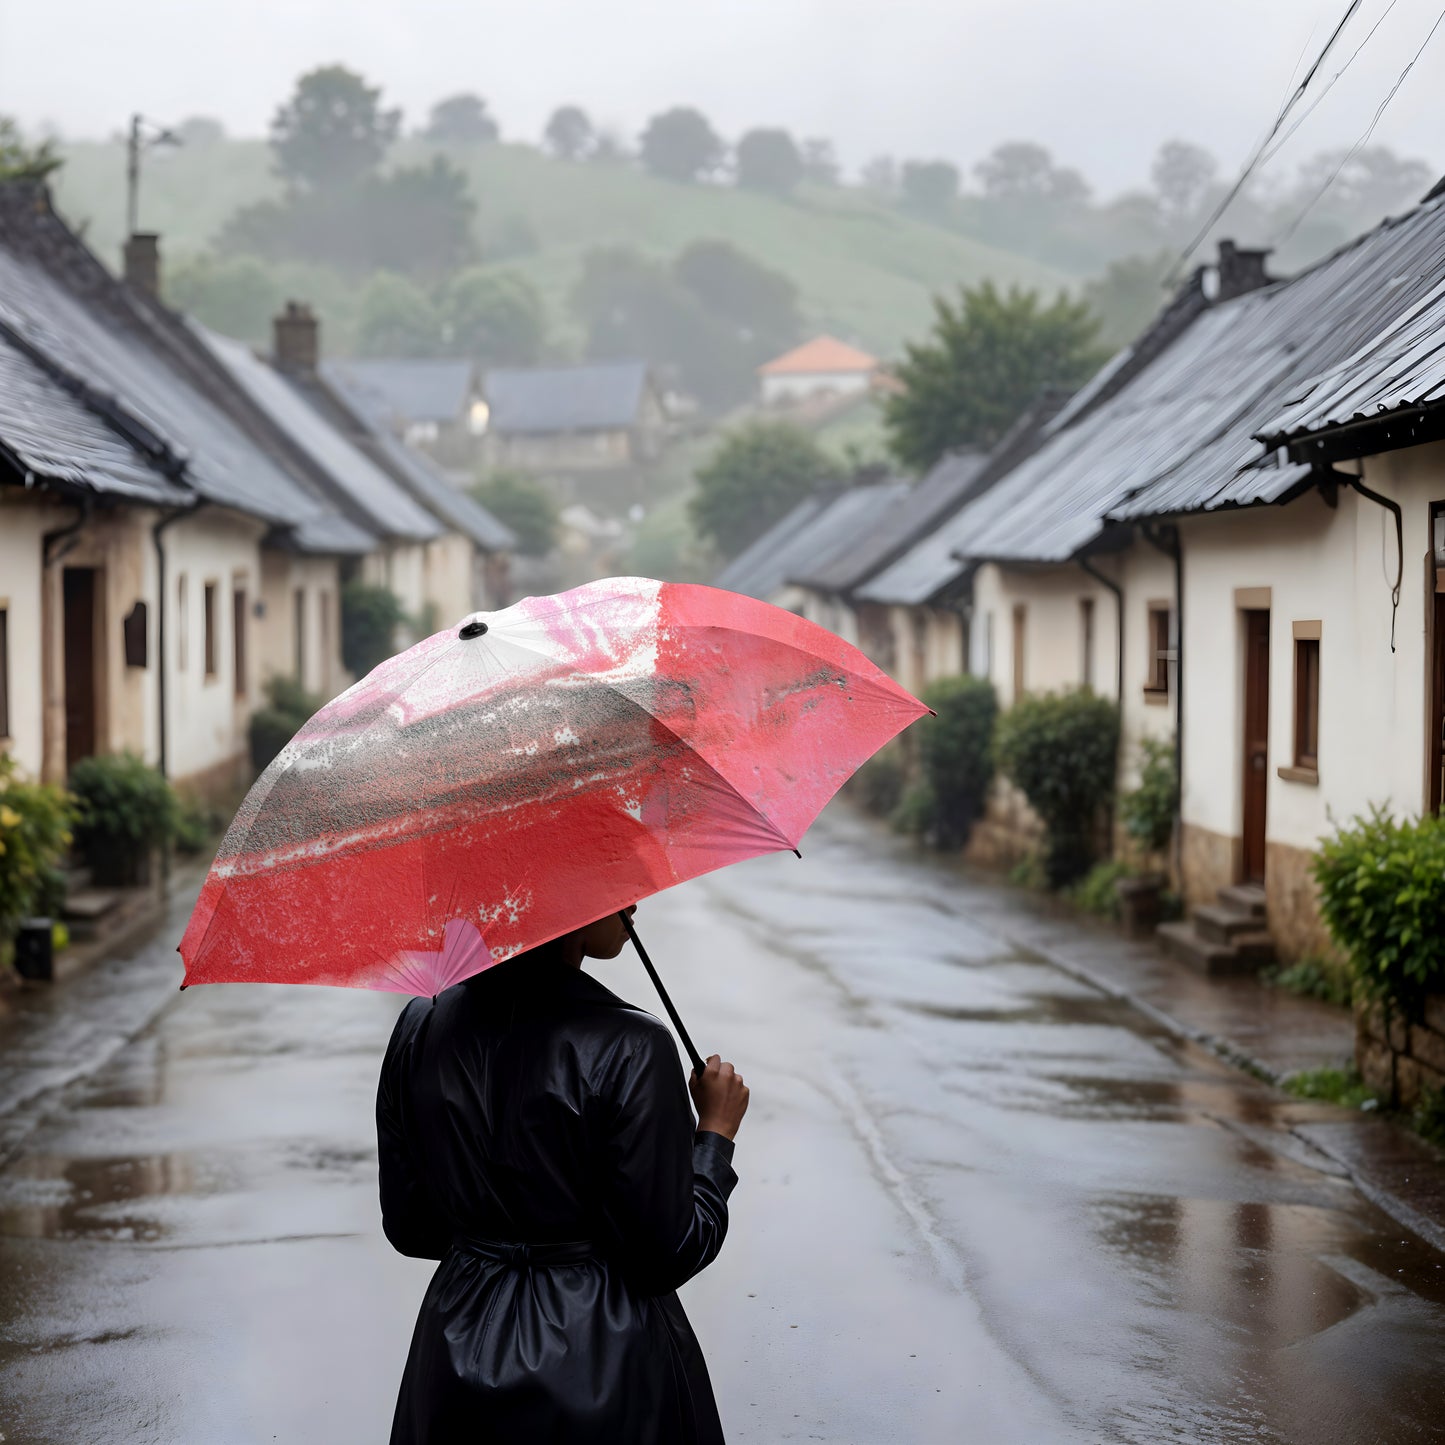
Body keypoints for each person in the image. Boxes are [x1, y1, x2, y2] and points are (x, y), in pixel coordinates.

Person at [377, 905, 749, 1444]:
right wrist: (714, 1136)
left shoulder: (420, 1025)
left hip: (454, 1353)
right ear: (556, 904)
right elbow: (664, 1255)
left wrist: (493, 1230)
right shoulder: (633, 1047)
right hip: (605, 1363)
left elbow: (412, 1227)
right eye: (611, 879)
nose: (634, 899)